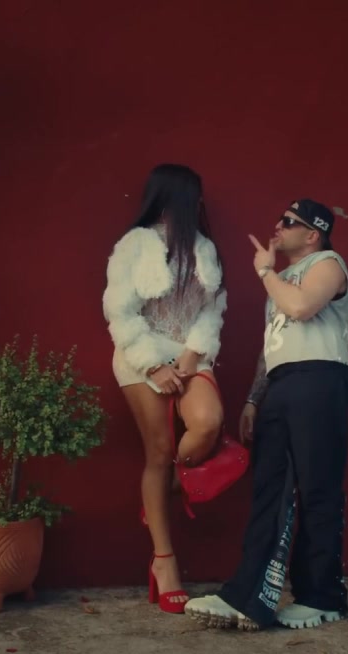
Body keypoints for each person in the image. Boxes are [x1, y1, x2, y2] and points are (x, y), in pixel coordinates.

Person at [185, 198, 348, 631]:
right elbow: (272, 343)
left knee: (317, 489)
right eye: (279, 218)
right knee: (268, 491)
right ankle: (247, 594)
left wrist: (265, 272)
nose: (278, 225)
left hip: (320, 379)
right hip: (281, 384)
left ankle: (322, 597)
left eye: (289, 222)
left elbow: (300, 308)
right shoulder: (281, 281)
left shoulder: (328, 264)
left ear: (313, 234)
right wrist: (254, 399)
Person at [102, 164, 227, 614]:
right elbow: (119, 311)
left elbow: (213, 310)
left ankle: (161, 492)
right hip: (142, 356)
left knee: (208, 423)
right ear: (173, 198)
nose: (200, 203)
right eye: (194, 194)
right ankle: (164, 561)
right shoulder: (135, 244)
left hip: (190, 353)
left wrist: (191, 357)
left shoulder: (205, 248)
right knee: (158, 451)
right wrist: (154, 365)